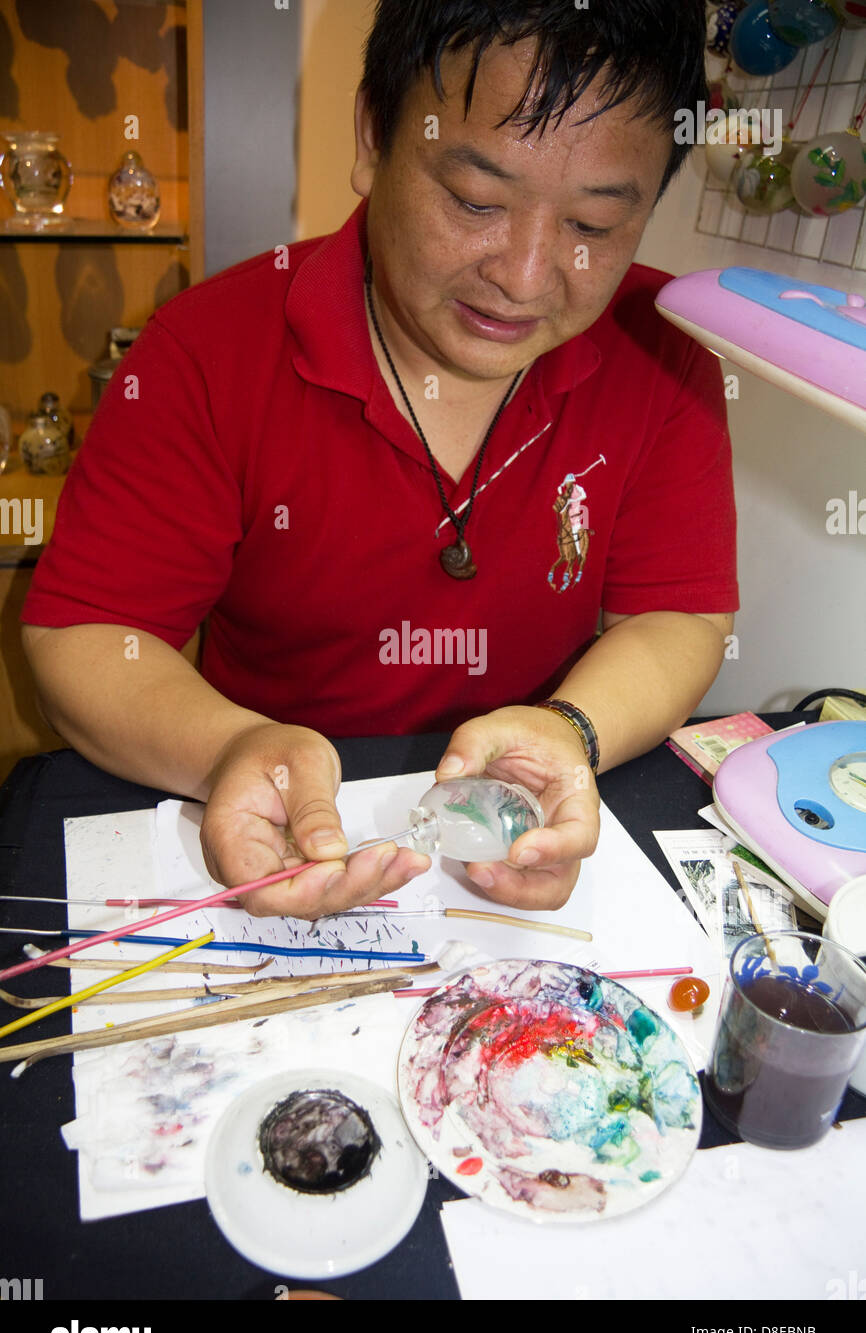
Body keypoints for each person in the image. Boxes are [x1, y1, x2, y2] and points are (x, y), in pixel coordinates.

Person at [20, 0, 738, 921]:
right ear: (372, 137)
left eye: (593, 225)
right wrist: (228, 750)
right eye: (477, 201)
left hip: (519, 850)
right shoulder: (205, 350)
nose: (523, 276)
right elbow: (89, 632)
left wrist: (570, 731)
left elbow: (678, 612)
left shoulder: (664, 350)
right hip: (277, 817)